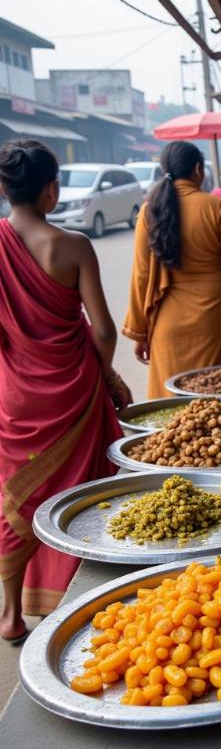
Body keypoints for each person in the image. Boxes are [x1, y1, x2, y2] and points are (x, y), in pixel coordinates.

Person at [0, 139, 130, 642]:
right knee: (89, 494)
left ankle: (11, 613)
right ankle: (87, 607)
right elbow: (102, 329)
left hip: (17, 397)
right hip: (76, 390)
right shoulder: (72, 246)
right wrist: (110, 374)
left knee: (17, 498)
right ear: (51, 189)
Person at [124, 141, 221, 399]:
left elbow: (141, 275)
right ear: (197, 170)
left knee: (173, 404)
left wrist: (139, 331)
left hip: (168, 318)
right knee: (218, 394)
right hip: (214, 313)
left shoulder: (150, 211)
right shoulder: (216, 207)